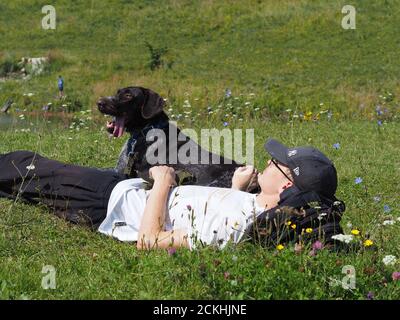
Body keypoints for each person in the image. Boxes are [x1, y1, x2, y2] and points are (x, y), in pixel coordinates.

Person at [0, 138, 343, 250]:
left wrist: (164, 182)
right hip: (124, 190)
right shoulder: (254, 206)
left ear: (285, 186)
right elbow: (213, 211)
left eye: (276, 164)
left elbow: (150, 240)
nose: (268, 162)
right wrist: (236, 189)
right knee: (25, 178)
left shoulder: (238, 225)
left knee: (23, 165)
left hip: (109, 204)